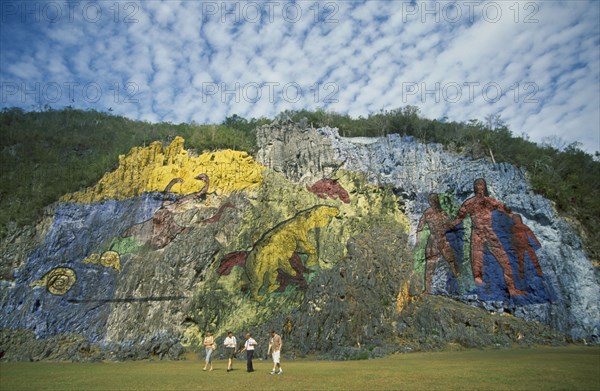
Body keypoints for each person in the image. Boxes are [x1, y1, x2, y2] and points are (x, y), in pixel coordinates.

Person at [448, 178, 525, 296]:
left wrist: (514, 219)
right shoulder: (469, 203)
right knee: (477, 266)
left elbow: (505, 210)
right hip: (477, 235)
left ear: (485, 187)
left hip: (490, 233)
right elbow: (458, 218)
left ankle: (512, 289)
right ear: (474, 188)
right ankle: (481, 292)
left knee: (505, 262)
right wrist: (447, 226)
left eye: (482, 184)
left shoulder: (490, 202)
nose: (480, 187)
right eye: (477, 185)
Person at [415, 193, 460, 293]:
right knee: (430, 264)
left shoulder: (442, 213)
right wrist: (418, 240)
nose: (432, 202)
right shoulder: (428, 213)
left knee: (451, 261)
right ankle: (427, 289)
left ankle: (459, 285)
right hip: (433, 241)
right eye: (431, 200)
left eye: (434, 200)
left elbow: (450, 226)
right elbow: (420, 227)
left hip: (442, 239)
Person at [511, 214, 543, 279]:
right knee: (520, 260)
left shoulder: (524, 227)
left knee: (534, 258)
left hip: (527, 245)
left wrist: (537, 243)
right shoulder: (513, 229)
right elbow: (513, 239)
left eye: (518, 219)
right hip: (519, 247)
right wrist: (513, 247)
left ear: (520, 219)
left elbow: (532, 235)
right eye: (515, 219)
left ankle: (539, 272)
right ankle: (521, 274)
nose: (517, 220)